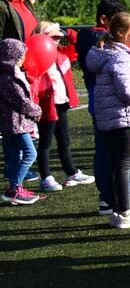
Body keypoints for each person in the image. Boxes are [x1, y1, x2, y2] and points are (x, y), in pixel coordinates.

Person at [86, 12, 130, 229]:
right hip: (122, 118)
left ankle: (118, 209)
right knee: (123, 165)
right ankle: (124, 211)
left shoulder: (106, 52)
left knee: (116, 164)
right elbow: (127, 92)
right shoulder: (120, 56)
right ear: (121, 33)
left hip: (111, 116)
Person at [31, 21, 93, 191]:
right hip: (47, 105)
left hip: (61, 103)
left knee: (64, 141)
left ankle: (71, 172)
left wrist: (72, 34)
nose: (58, 41)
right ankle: (46, 178)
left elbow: (74, 51)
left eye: (59, 38)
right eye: (54, 37)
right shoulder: (35, 57)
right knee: (45, 142)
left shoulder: (60, 54)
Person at [0, 38, 44, 205]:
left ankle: (14, 188)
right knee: (30, 153)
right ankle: (16, 187)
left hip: (13, 121)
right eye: (21, 55)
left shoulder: (10, 74)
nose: (24, 58)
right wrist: (36, 111)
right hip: (15, 122)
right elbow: (20, 101)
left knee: (15, 156)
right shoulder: (8, 78)